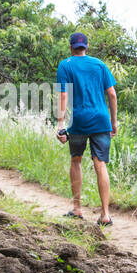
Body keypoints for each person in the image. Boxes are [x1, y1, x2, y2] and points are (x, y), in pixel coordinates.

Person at [55, 31, 117, 227]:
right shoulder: (100, 65)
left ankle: (77, 209)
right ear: (86, 47)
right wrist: (113, 122)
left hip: (80, 120)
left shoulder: (66, 65)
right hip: (101, 120)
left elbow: (63, 95)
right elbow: (112, 95)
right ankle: (105, 215)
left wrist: (60, 123)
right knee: (100, 164)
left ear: (71, 47)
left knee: (76, 160)